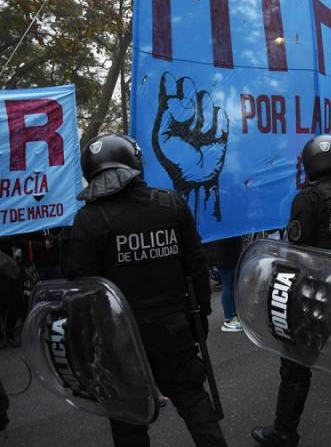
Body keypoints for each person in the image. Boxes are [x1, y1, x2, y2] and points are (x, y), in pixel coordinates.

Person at [66, 134, 227, 446]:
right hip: (173, 329)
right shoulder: (170, 204)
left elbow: (82, 291)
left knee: (129, 419)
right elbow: (197, 266)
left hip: (118, 338)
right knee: (192, 399)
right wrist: (201, 317)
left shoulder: (88, 220)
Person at [252, 135, 331, 445]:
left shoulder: (307, 199)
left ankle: (285, 430)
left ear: (310, 163)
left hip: (313, 295)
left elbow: (297, 252)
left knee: (296, 361)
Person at [203, 237, 243, 332]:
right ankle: (228, 319)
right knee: (228, 284)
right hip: (224, 254)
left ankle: (233, 316)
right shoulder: (222, 227)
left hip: (225, 253)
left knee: (231, 284)